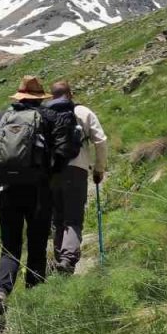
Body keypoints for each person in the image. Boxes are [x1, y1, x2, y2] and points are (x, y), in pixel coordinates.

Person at [0, 75, 74, 333]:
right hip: (40, 191)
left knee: (9, 248)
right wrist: (52, 176)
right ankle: (34, 303)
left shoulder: (0, 118)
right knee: (37, 246)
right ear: (39, 97)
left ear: (19, 96)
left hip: (6, 191)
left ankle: (0, 293)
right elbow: (65, 152)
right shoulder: (47, 118)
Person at [45, 81, 108, 274]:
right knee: (73, 219)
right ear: (70, 94)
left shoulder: (44, 114)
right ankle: (67, 260)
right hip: (76, 169)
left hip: (52, 172)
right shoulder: (83, 112)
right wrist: (99, 169)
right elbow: (100, 140)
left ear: (52, 96)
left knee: (58, 219)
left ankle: (60, 263)